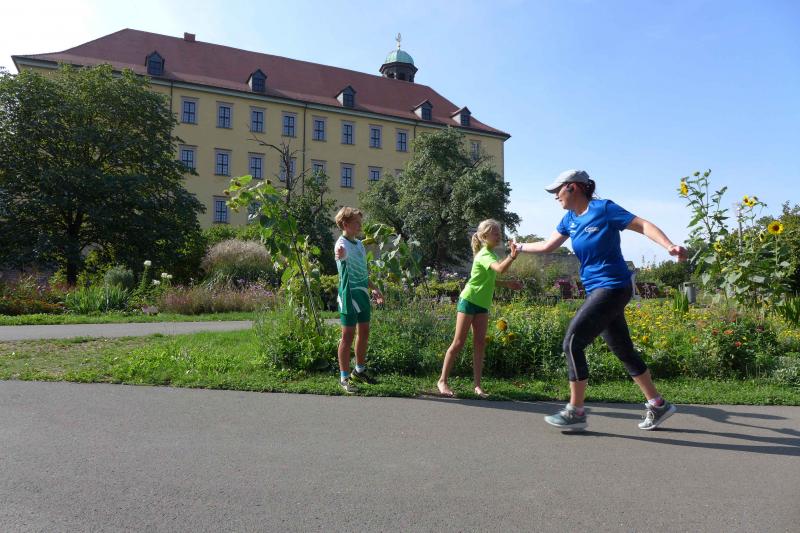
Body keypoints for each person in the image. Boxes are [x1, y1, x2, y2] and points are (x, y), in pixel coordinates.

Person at [516, 170, 687, 430]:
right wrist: (519, 247)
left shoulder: (604, 209)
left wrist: (669, 245)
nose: (555, 196)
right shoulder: (569, 219)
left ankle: (576, 411)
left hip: (613, 287)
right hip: (598, 290)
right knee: (623, 350)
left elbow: (642, 225)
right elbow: (548, 245)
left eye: (557, 190)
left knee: (572, 343)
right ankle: (658, 403)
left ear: (573, 187)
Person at [437, 219, 522, 398]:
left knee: (480, 344)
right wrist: (512, 256)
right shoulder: (485, 255)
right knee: (458, 342)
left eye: (499, 232)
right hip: (469, 300)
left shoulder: (491, 254)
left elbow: (489, 279)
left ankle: (477, 386)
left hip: (482, 304)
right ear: (484, 236)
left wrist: (507, 284)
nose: (499, 235)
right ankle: (442, 381)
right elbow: (500, 269)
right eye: (495, 233)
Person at [334, 207, 384, 394]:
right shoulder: (341, 245)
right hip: (348, 295)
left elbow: (363, 272)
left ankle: (359, 371)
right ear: (345, 224)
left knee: (364, 332)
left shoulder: (360, 244)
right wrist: (340, 255)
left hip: (362, 293)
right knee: (347, 336)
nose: (360, 226)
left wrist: (375, 288)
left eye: (360, 222)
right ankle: (344, 378)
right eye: (356, 223)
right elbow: (340, 255)